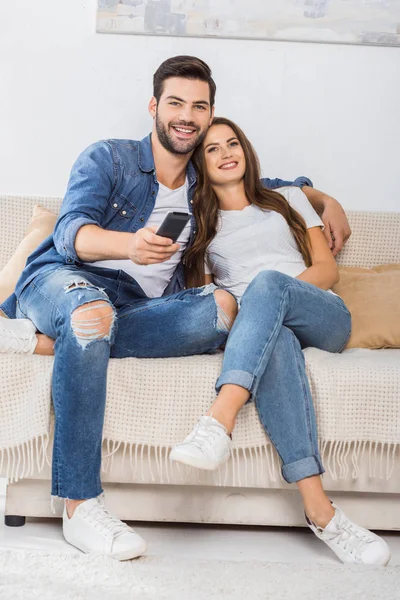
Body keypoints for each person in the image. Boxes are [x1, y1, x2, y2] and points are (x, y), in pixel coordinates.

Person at [0, 56, 351, 561]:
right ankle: (79, 505)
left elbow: (262, 183)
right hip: (68, 281)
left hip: (142, 309)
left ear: (210, 116)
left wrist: (322, 198)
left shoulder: (204, 185)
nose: (187, 115)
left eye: (199, 106)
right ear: (154, 107)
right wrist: (129, 246)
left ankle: (39, 342)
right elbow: (71, 232)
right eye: (176, 103)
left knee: (228, 309)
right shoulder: (110, 158)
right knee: (92, 315)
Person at [169, 117, 391, 566]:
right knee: (277, 343)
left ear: (246, 151)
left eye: (233, 143)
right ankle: (321, 512)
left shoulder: (287, 199)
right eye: (212, 149)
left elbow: (327, 270)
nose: (226, 152)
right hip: (266, 329)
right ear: (200, 163)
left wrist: (268, 297)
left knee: (268, 286)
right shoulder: (202, 227)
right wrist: (256, 314)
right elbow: (214, 299)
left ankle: (219, 420)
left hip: (321, 313)